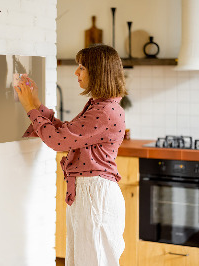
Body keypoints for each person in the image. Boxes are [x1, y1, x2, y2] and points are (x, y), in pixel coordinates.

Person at [14, 44, 127, 266]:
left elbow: (58, 141)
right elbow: (67, 133)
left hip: (95, 195)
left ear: (98, 71)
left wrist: (30, 107)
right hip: (90, 193)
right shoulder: (100, 106)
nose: (76, 72)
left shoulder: (104, 111)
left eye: (82, 67)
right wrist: (36, 104)